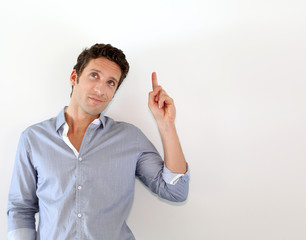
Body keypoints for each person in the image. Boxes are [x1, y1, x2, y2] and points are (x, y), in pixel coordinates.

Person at [7, 43, 189, 240]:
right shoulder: (34, 138)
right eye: (95, 75)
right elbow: (21, 209)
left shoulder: (130, 138)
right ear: (74, 77)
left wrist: (166, 125)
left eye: (111, 83)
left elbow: (175, 191)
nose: (101, 90)